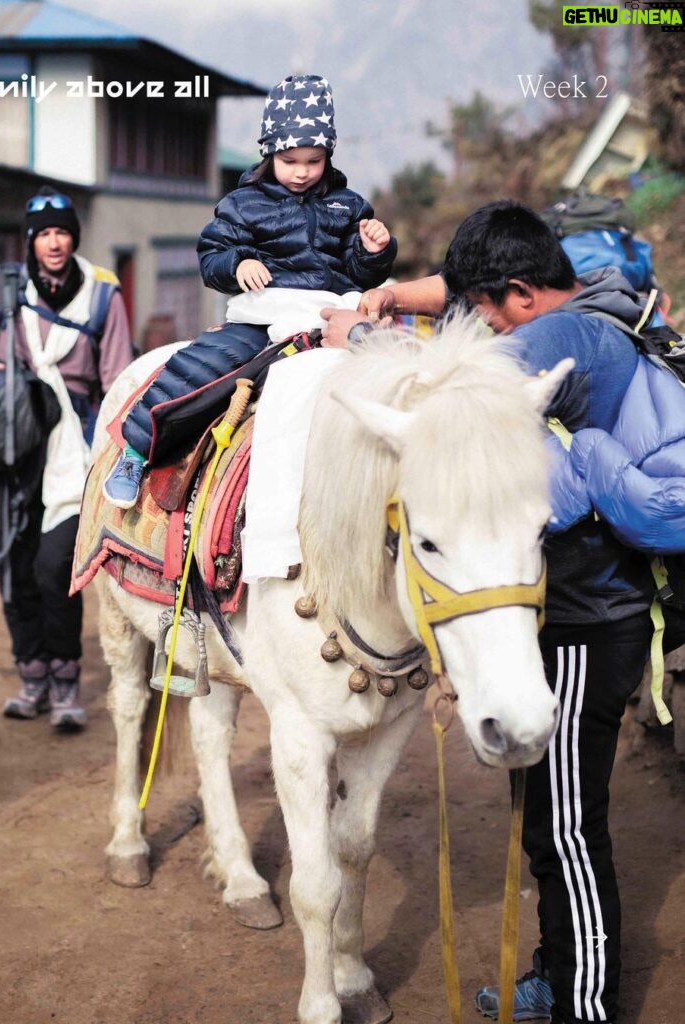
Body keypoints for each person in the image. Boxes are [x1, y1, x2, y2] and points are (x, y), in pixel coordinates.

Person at [322, 200, 680, 1024]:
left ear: (519, 293)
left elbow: (449, 409)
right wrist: (401, 302)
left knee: (566, 829)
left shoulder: (552, 342)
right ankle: (554, 981)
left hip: (590, 613)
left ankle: (580, 1004)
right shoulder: (598, 315)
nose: (473, 321)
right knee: (547, 815)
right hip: (593, 605)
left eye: (479, 307)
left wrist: (353, 344)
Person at [102, 73, 396, 509]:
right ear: (269, 151)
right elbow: (212, 256)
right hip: (261, 319)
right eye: (290, 159)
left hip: (329, 318)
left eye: (313, 161)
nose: (301, 172)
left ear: (328, 156)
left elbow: (357, 273)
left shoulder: (348, 205)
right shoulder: (243, 203)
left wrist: (373, 251)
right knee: (200, 368)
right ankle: (135, 452)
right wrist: (238, 263)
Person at [0, 188, 134, 730]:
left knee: (54, 565)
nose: (54, 242)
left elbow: (115, 381)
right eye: (44, 233)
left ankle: (67, 683)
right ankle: (33, 674)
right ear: (31, 240)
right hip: (8, 442)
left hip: (73, 445)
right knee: (11, 566)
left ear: (74, 237)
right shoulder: (3, 285)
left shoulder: (104, 294)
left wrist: (116, 453)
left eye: (62, 231)